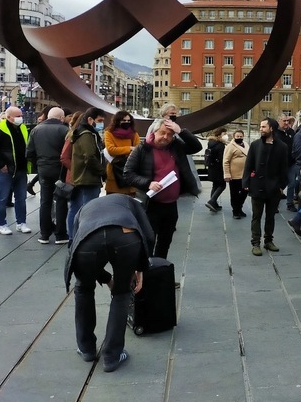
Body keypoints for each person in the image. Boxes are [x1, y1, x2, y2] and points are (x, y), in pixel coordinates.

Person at [64, 194, 154, 373]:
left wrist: (105, 278)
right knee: (121, 294)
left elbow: (74, 244)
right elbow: (149, 236)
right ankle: (112, 357)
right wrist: (140, 270)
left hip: (88, 241)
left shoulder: (85, 208)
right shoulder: (131, 203)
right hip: (126, 238)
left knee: (83, 288)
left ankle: (86, 348)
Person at [124, 117, 202, 260]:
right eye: (162, 133)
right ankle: (146, 274)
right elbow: (128, 173)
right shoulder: (142, 149)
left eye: (170, 134)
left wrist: (181, 131)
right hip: (151, 205)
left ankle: (160, 273)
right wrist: (148, 183)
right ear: (154, 133)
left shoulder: (175, 146)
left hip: (171, 205)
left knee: (165, 242)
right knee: (148, 241)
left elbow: (196, 147)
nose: (166, 137)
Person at [243, 118, 288, 256]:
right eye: (260, 126)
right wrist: (246, 183)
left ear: (271, 128)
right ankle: (255, 243)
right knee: (256, 216)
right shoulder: (255, 145)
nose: (261, 129)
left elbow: (284, 169)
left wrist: (281, 186)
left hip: (273, 188)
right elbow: (248, 165)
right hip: (257, 186)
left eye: (263, 127)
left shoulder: (282, 147)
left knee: (270, 217)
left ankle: (268, 241)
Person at [0, 106, 31, 235]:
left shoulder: (22, 128)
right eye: (17, 116)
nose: (20, 118)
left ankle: (21, 223)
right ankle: (1, 224)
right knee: (2, 197)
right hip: (5, 169)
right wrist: (0, 164)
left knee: (21, 197)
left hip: (21, 168)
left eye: (21, 115)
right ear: (9, 117)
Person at [26, 106, 69, 244]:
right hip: (60, 171)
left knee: (45, 201)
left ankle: (44, 234)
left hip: (43, 170)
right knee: (61, 201)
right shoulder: (65, 130)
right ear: (61, 118)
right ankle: (60, 235)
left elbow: (29, 153)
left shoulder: (36, 130)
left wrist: (39, 165)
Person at [64, 108, 106, 240]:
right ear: (90, 120)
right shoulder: (87, 134)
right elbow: (89, 156)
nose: (101, 124)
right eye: (99, 121)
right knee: (89, 210)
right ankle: (84, 237)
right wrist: (102, 172)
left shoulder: (79, 132)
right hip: (88, 178)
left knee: (75, 208)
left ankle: (73, 236)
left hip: (79, 177)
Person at [104, 111, 140, 196]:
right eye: (124, 120)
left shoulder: (134, 134)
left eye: (129, 121)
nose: (127, 122)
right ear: (117, 121)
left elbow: (138, 150)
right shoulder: (109, 133)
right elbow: (111, 150)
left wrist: (120, 150)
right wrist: (130, 148)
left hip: (130, 171)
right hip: (114, 173)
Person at [27, 105, 53, 196]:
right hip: (44, 154)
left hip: (40, 156)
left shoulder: (40, 121)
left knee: (43, 172)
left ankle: (31, 184)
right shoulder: (45, 123)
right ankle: (31, 184)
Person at [223, 129, 249, 219]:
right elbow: (225, 161)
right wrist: (227, 174)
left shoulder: (246, 145)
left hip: (245, 174)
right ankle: (235, 211)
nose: (239, 138)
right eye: (237, 136)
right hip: (234, 175)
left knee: (244, 192)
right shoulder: (230, 146)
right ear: (234, 137)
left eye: (241, 136)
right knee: (234, 194)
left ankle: (239, 208)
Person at [205, 127, 228, 212]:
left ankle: (214, 205)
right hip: (218, 169)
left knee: (215, 185)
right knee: (222, 185)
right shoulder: (220, 145)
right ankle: (212, 201)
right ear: (219, 135)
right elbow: (222, 159)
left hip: (211, 168)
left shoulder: (211, 143)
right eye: (224, 134)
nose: (226, 136)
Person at [276, 114, 296, 211]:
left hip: (291, 163)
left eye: (287, 121)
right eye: (284, 121)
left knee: (292, 183)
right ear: (279, 121)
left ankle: (290, 203)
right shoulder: (275, 133)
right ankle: (275, 204)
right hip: (279, 164)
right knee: (279, 184)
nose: (286, 123)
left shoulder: (291, 132)